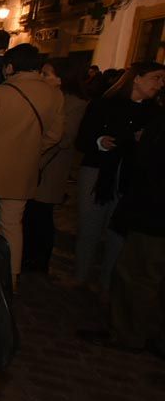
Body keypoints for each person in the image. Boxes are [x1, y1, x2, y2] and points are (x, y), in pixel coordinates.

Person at [0, 43, 64, 287]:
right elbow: (55, 135)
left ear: (10, 67)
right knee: (12, 225)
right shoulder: (54, 94)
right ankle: (11, 279)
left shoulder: (0, 92)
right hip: (23, 170)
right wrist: (30, 150)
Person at [71, 61, 165, 293]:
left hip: (130, 178)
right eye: (156, 78)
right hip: (98, 172)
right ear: (137, 78)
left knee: (118, 233)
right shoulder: (104, 104)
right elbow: (82, 138)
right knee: (89, 228)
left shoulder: (155, 114)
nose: (160, 84)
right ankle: (80, 277)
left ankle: (107, 284)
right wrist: (100, 142)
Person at [100, 110, 165, 354]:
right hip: (151, 210)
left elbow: (152, 165)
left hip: (153, 213)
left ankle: (128, 333)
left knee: (137, 273)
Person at [22, 58, 88, 274]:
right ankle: (28, 257)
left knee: (43, 215)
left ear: (61, 79)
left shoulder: (75, 103)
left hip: (52, 166)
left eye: (47, 74)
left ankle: (39, 262)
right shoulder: (47, 98)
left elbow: (65, 138)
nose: (42, 77)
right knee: (32, 214)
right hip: (37, 161)